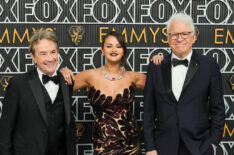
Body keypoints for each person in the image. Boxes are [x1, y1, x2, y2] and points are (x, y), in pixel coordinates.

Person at [60, 31, 163, 154]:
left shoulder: (134, 77)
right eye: (109, 46)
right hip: (103, 145)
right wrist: (62, 71)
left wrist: (160, 64)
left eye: (118, 46)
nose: (114, 49)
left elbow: (163, 89)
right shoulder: (90, 75)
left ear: (124, 50)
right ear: (102, 50)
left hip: (130, 145)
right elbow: (59, 90)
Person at [143, 13, 225, 155]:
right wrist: (150, 147)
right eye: (174, 34)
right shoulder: (155, 67)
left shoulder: (209, 65)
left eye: (185, 34)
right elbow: (148, 112)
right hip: (163, 148)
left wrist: (212, 143)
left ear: (194, 37)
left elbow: (218, 109)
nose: (179, 38)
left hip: (200, 147)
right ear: (168, 38)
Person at [0, 30, 75, 155]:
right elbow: (5, 130)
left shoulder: (67, 82)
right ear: (33, 57)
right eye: (43, 54)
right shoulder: (18, 84)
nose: (50, 58)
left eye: (53, 52)